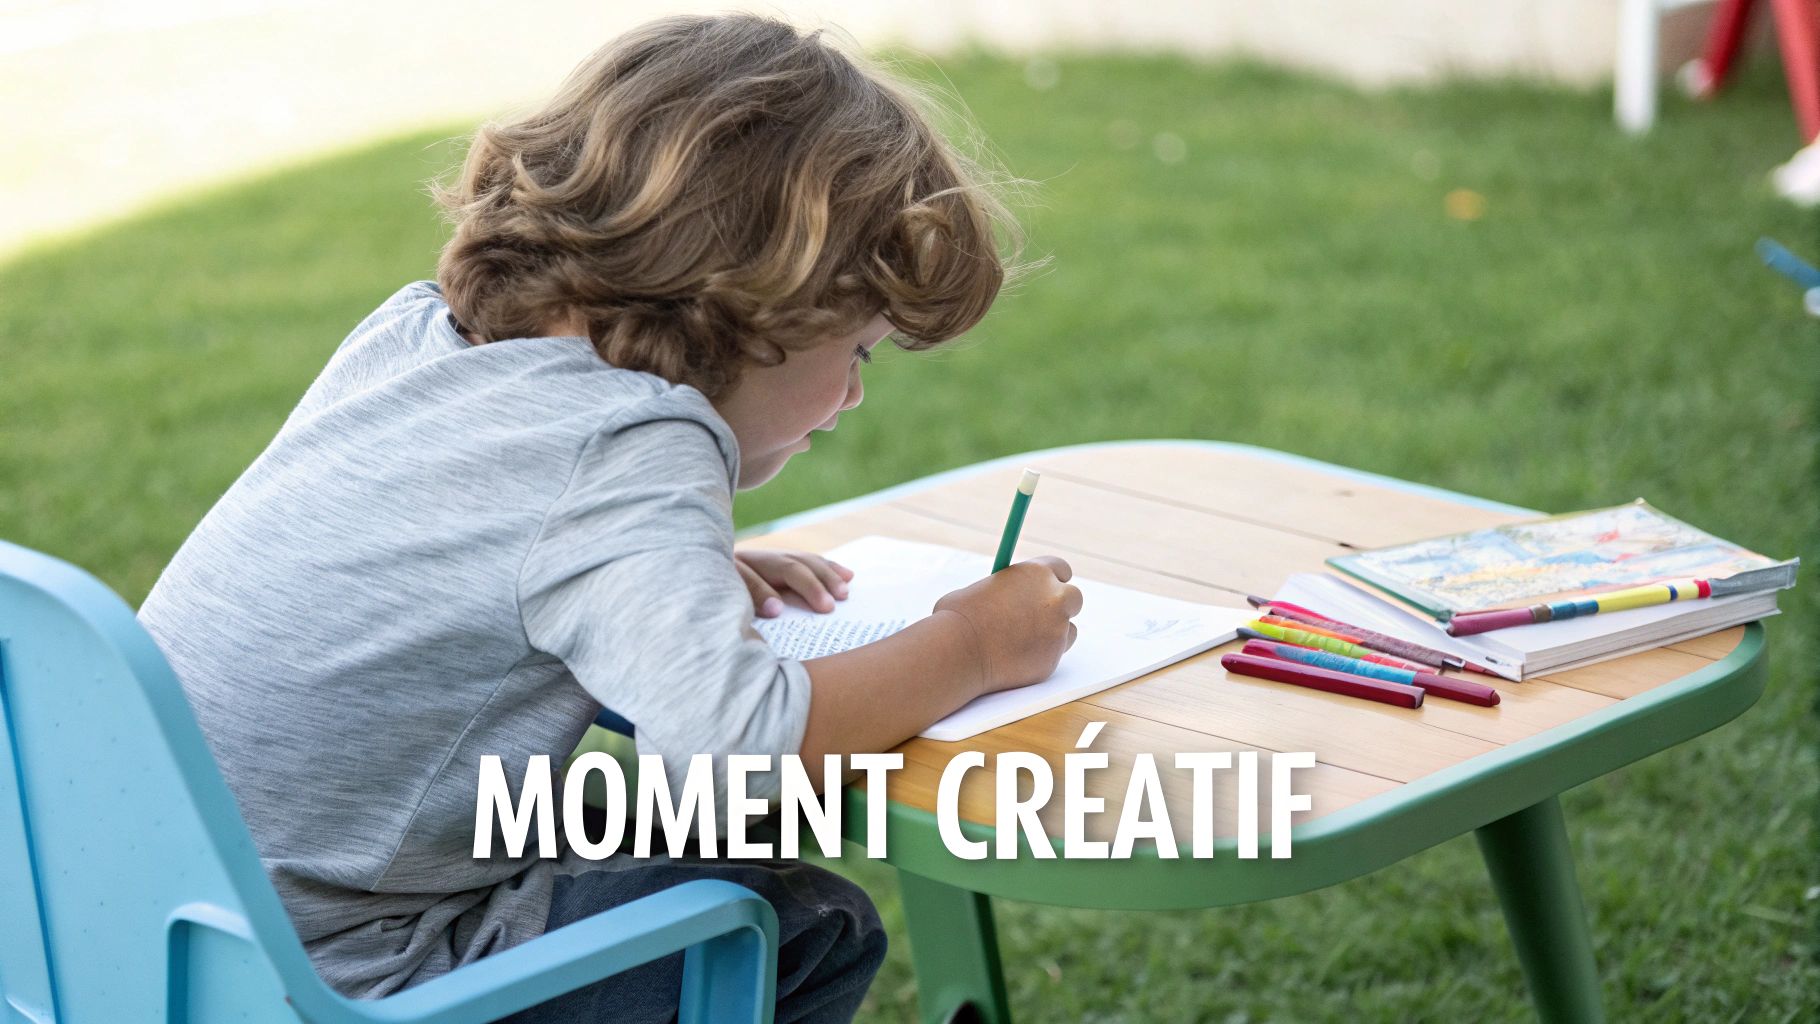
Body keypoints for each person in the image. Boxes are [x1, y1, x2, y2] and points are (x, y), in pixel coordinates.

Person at [138, 13, 1081, 1023]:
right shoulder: (632, 441)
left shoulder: (416, 336)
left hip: (144, 918)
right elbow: (736, 754)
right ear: (762, 309)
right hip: (328, 978)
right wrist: (972, 643)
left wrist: (680, 569)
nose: (852, 396)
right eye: (855, 352)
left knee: (678, 843)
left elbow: (463, 544)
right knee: (793, 924)